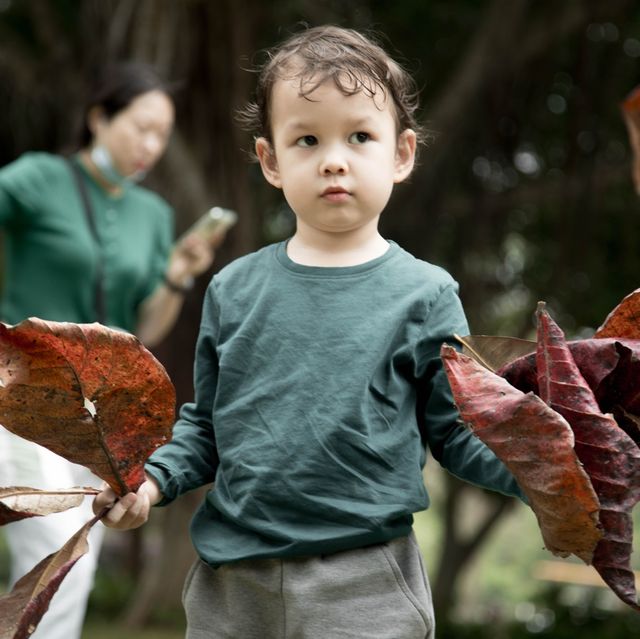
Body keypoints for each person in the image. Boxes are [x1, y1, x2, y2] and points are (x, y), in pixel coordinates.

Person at [94, 26, 526, 639]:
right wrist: (152, 482)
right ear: (271, 161)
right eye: (306, 138)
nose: (333, 158)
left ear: (401, 154)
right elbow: (207, 426)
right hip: (230, 583)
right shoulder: (233, 288)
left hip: (365, 581)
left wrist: (551, 476)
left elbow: (458, 432)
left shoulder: (426, 295)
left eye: (359, 136)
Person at [0, 61, 225, 639]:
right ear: (99, 118)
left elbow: (145, 324)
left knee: (72, 557)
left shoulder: (153, 215)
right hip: (20, 395)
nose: (151, 145)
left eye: (162, 134)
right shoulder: (37, 178)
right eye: (140, 126)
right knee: (54, 547)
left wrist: (176, 274)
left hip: (97, 409)